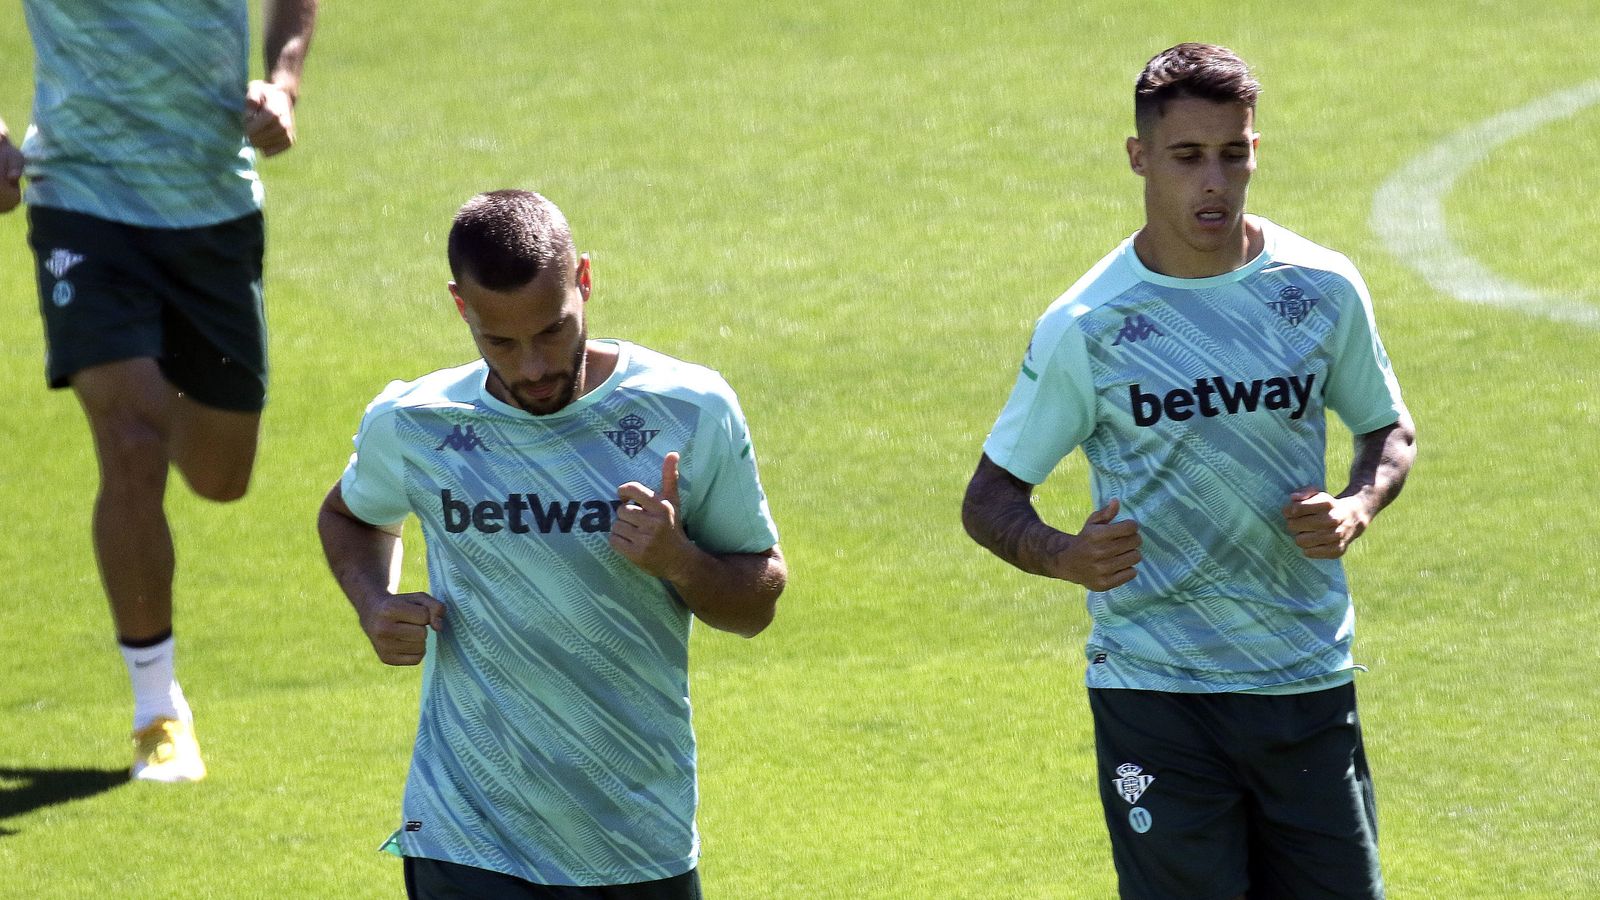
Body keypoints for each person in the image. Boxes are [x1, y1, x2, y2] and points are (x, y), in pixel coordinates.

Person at [961, 44, 1417, 900]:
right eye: (1187, 157)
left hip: (1303, 677)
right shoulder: (1089, 324)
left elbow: (1387, 427)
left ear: (1255, 149)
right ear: (1139, 158)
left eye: (1233, 154)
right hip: (1158, 692)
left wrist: (1359, 504)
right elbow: (989, 498)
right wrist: (1063, 554)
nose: (1215, 181)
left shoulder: (1319, 287)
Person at [317, 190, 787, 899]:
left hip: (634, 837)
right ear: (461, 308)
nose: (532, 366)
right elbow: (350, 516)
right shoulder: (416, 422)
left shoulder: (689, 408)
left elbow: (755, 604)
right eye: (500, 342)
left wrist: (679, 561)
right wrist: (373, 600)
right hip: (463, 832)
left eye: (552, 332)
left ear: (586, 282)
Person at [2, 0, 318, 783]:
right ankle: (156, 712)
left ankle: (145, 364)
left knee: (220, 476)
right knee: (134, 443)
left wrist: (282, 83)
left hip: (212, 203)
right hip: (82, 198)